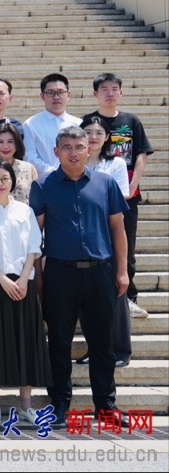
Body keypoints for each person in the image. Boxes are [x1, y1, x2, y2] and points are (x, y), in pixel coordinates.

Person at [30, 126, 128, 423]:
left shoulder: (105, 183)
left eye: (79, 147)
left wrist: (122, 271)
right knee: (59, 342)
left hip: (101, 273)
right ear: (56, 152)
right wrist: (37, 275)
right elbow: (34, 235)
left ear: (89, 149)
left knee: (102, 343)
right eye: (67, 147)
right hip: (60, 273)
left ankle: (106, 405)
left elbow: (118, 228)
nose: (74, 152)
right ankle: (60, 403)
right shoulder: (43, 185)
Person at [0, 159, 50, 424]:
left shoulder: (25, 211)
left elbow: (34, 246)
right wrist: (3, 280)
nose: (0, 183)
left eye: (4, 178)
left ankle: (26, 405)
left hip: (23, 283)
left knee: (25, 341)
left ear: (12, 181)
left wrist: (24, 279)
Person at [84, 72, 153, 320]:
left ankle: (129, 298)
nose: (110, 93)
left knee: (126, 247)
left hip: (126, 195)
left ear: (121, 93)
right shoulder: (87, 122)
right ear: (96, 94)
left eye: (114, 89)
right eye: (104, 89)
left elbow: (140, 154)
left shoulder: (131, 120)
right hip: (91, 199)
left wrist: (132, 186)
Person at [80, 115, 133, 368]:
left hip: (109, 234)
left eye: (99, 132)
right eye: (88, 132)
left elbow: (120, 198)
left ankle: (120, 349)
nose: (93, 137)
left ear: (107, 137)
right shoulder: (75, 162)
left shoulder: (116, 164)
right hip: (83, 237)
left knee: (117, 294)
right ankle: (96, 348)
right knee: (90, 298)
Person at [22, 74, 81, 176]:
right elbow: (29, 156)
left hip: (75, 178)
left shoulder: (78, 123)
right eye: (50, 93)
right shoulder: (31, 124)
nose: (56, 97)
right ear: (42, 96)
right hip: (45, 179)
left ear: (68, 95)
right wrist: (55, 173)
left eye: (61, 92)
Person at [0, 122, 38, 204]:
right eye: (0, 142)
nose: (5, 146)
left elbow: (37, 199)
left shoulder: (29, 168)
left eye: (10, 141)